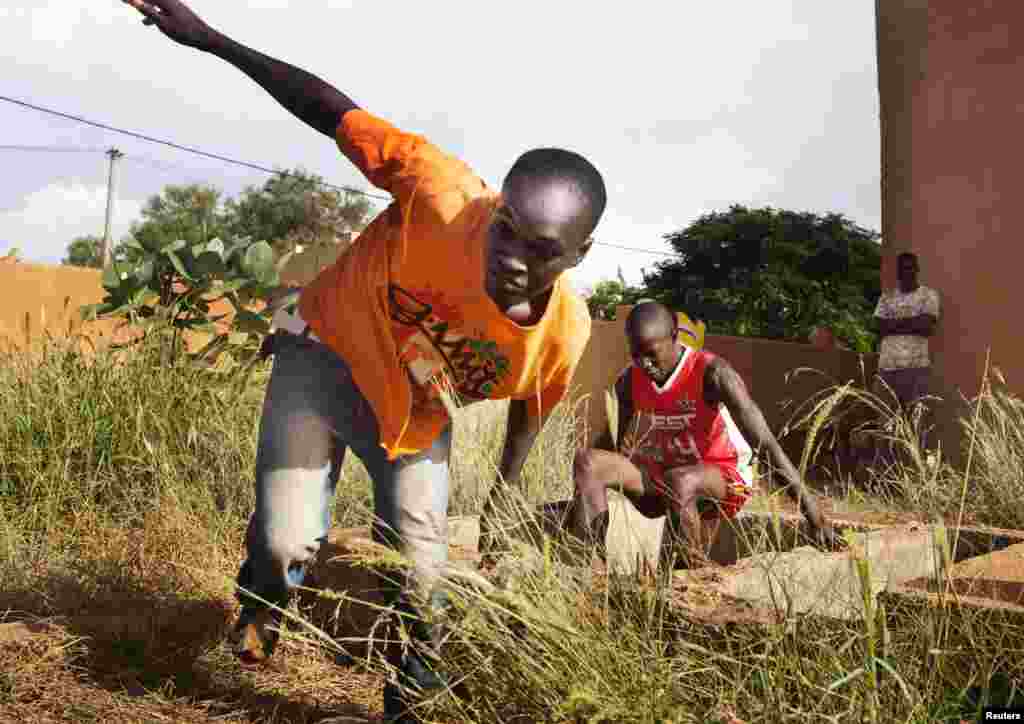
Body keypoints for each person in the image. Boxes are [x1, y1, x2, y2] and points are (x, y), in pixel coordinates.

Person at [120, 1, 603, 720]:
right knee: (288, 538)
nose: (511, 258)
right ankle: (261, 598)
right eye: (508, 230)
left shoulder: (563, 333)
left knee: (420, 564)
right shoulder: (437, 190)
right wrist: (210, 40)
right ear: (496, 206)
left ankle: (409, 696)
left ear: (577, 256)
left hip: (412, 412)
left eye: (542, 252)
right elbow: (329, 109)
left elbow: (534, 406)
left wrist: (502, 500)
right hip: (322, 355)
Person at [571, 302, 837, 568]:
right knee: (588, 461)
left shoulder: (714, 374)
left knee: (681, 480)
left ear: (674, 336)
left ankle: (689, 581)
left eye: (651, 354)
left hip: (722, 481)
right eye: (636, 354)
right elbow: (609, 446)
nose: (645, 364)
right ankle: (591, 573)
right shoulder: (630, 379)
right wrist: (582, 502)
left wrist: (814, 516)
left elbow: (766, 444)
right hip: (664, 480)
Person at [872, 252, 941, 454]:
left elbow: (926, 326)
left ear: (917, 269)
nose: (907, 271)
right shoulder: (886, 298)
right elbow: (878, 327)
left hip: (916, 369)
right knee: (885, 424)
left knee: (917, 425)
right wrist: (912, 322)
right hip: (887, 369)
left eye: (911, 267)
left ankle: (914, 475)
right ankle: (885, 476)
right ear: (898, 272)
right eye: (903, 268)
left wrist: (893, 324)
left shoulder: (929, 295)